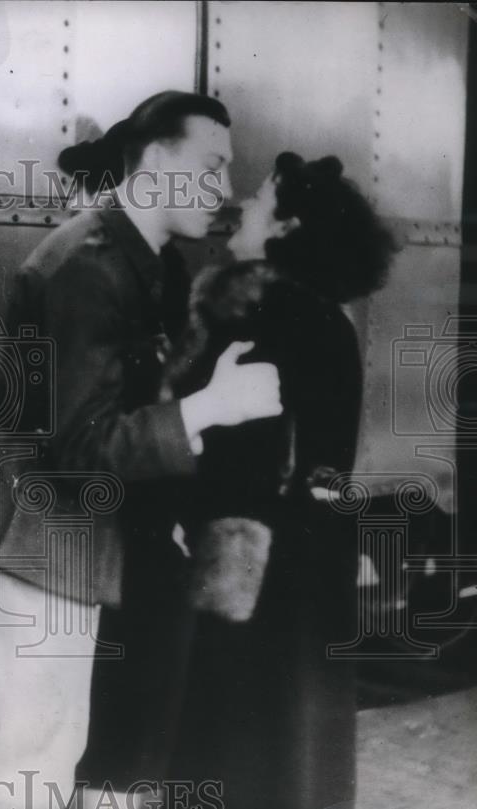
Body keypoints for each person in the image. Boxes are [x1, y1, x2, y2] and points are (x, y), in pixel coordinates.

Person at [0, 91, 284, 809]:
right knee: (34, 761)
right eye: (212, 166)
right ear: (160, 160)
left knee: (53, 751)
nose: (223, 190)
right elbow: (81, 442)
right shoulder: (89, 267)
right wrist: (209, 407)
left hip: (66, 540)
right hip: (39, 540)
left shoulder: (145, 261)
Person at [166, 152, 395, 809]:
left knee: (233, 742)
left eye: (260, 198)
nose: (241, 204)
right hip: (307, 561)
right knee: (298, 749)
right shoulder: (329, 317)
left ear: (287, 225)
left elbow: (230, 451)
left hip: (250, 564)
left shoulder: (262, 313)